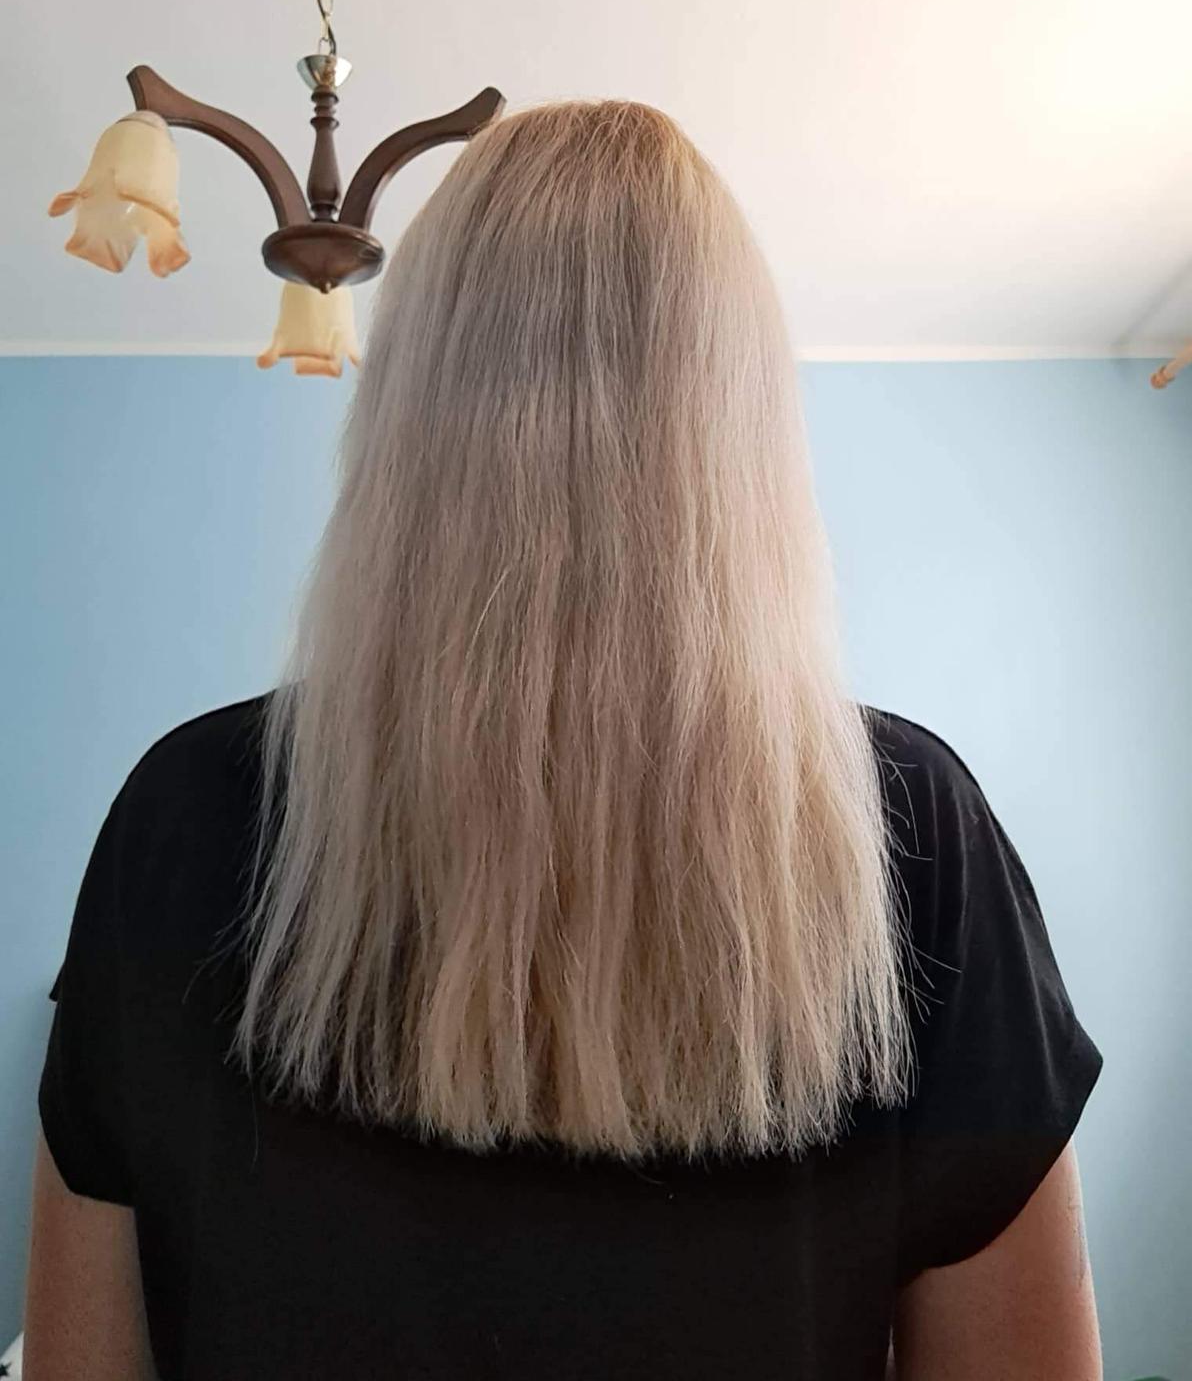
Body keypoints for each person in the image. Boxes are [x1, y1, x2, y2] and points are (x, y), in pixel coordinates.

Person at [24, 101, 1103, 1380]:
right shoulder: (907, 830)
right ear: (741, 424)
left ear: (405, 414)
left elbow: (84, 1360)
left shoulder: (185, 814)